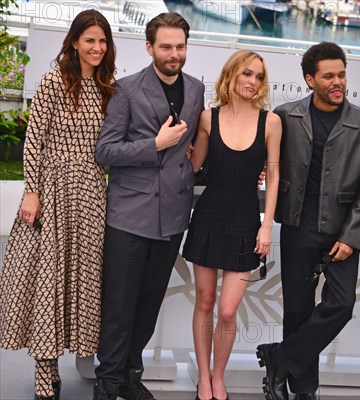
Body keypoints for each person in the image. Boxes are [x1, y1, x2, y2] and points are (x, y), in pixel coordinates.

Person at [256, 42, 360, 400]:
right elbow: (262, 155)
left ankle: (279, 358)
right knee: (297, 310)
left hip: (342, 233)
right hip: (297, 227)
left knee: (341, 305)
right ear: (309, 79)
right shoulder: (285, 115)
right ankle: (304, 390)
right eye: (328, 76)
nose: (337, 82)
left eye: (342, 74)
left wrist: (352, 236)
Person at [0, 10, 116, 400]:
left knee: (80, 280)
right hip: (52, 188)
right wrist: (30, 191)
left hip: (91, 193)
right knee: (47, 279)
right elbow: (33, 141)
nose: (97, 48)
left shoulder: (108, 86)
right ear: (74, 42)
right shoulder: (54, 81)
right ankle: (44, 370)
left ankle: (78, 355)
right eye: (90, 40)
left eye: (102, 41)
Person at [92, 12, 205, 400]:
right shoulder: (125, 90)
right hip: (129, 217)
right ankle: (107, 384)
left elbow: (192, 150)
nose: (174, 54)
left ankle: (128, 376)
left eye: (180, 46)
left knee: (149, 305)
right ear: (149, 48)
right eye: (166, 47)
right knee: (119, 309)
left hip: (172, 217)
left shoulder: (196, 89)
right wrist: (154, 145)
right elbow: (105, 151)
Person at [182, 50, 282, 400]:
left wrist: (266, 225)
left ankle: (218, 374)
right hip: (209, 216)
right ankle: (205, 380)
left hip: (245, 221)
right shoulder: (207, 118)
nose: (253, 82)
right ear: (231, 76)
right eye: (246, 74)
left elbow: (273, 173)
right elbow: (195, 166)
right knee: (206, 302)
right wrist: (181, 146)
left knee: (227, 310)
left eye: (258, 76)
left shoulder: (270, 122)